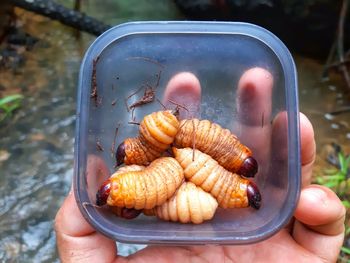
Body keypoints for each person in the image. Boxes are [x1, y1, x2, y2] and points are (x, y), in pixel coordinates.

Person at [55, 68, 345, 262]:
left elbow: (199, 162)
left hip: (179, 170)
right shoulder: (166, 160)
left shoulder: (179, 161)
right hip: (171, 170)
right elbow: (158, 171)